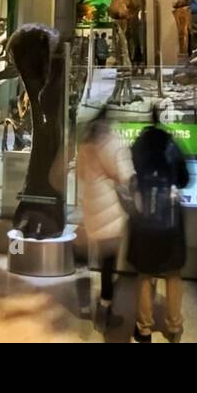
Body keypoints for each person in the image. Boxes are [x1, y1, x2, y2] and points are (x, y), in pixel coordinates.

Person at [126, 105, 191, 342]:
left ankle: (144, 327)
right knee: (173, 272)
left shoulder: (139, 144)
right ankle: (174, 326)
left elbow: (130, 173)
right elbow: (185, 178)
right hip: (170, 215)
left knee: (144, 272)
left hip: (144, 214)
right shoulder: (171, 144)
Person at [76, 105, 133, 331]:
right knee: (109, 266)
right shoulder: (112, 143)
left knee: (93, 261)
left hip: (90, 208)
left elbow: (80, 174)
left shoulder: (85, 144)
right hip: (109, 213)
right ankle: (105, 309)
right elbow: (125, 176)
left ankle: (84, 307)